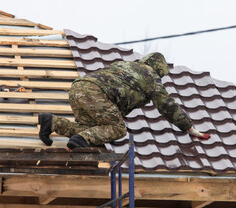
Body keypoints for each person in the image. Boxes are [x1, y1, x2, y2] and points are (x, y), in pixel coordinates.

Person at [38, 52, 210, 149]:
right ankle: (79, 141)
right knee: (118, 129)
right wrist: (188, 127)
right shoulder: (150, 78)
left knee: (94, 128)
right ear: (159, 69)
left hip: (78, 87)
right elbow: (167, 105)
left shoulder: (124, 65)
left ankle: (52, 123)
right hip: (96, 94)